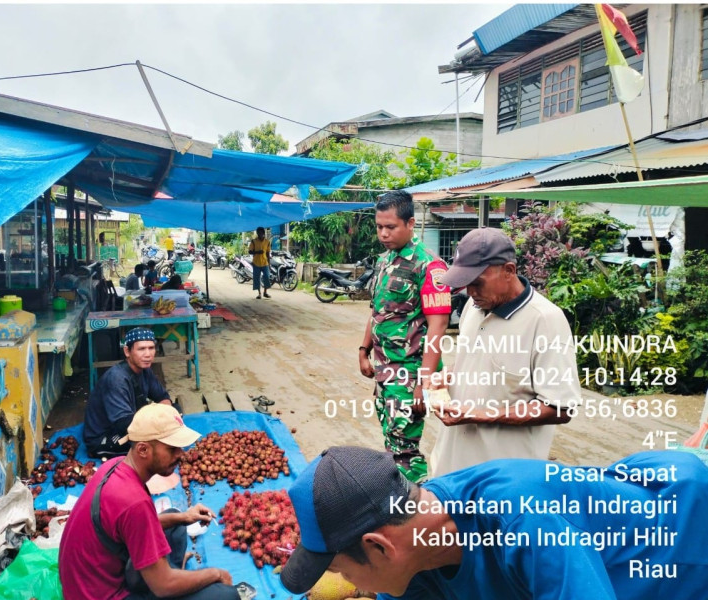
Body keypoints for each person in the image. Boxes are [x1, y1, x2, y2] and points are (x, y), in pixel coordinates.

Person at [281, 445, 708, 600]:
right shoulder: (413, 553)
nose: (356, 587)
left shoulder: (523, 522)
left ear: (378, 546)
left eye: (339, 570)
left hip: (681, 544)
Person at [428, 227, 580, 477]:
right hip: (451, 467)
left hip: (503, 480)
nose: (471, 292)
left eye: (477, 283)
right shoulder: (474, 307)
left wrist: (483, 415)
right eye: (466, 285)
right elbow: (478, 363)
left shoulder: (545, 320)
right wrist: (448, 376)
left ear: (509, 271)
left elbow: (560, 408)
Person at [60, 404, 240, 600]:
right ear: (143, 449)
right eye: (172, 449)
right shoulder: (133, 502)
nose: (180, 454)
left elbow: (135, 526)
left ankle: (169, 573)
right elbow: (163, 586)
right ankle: (170, 577)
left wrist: (184, 517)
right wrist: (216, 574)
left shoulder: (115, 465)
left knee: (175, 521)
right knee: (225, 595)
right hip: (106, 595)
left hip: (88, 582)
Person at [358, 189, 451, 483]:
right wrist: (363, 349)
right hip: (385, 370)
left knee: (406, 451)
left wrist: (424, 384)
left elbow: (438, 327)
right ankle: (399, 498)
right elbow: (377, 311)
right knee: (391, 441)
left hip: (409, 374)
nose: (383, 233)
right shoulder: (386, 260)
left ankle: (415, 509)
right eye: (379, 227)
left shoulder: (430, 266)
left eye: (391, 227)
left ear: (410, 224)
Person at [84, 328, 175, 458]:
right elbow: (124, 425)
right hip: (107, 434)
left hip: (131, 421)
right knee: (154, 448)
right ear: (127, 351)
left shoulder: (144, 369)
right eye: (141, 349)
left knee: (175, 410)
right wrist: (161, 423)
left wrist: (168, 414)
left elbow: (162, 397)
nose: (148, 354)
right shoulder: (117, 379)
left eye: (151, 348)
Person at [248, 227, 271, 299]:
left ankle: (265, 292)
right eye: (259, 233)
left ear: (263, 233)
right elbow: (250, 251)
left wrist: (269, 263)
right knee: (256, 278)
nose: (260, 234)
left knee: (267, 277)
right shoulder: (253, 241)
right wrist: (257, 252)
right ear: (257, 234)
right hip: (256, 263)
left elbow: (268, 253)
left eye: (262, 233)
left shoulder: (267, 242)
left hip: (265, 262)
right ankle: (259, 293)